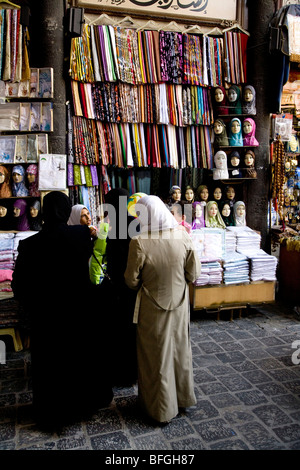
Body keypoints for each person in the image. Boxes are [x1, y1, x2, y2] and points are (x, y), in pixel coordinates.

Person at [11, 191, 113, 431]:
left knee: (48, 365)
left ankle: (50, 413)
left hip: (45, 317)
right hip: (75, 313)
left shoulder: (29, 244)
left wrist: (33, 308)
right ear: (66, 210)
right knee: (74, 360)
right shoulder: (80, 235)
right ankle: (78, 407)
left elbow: (19, 284)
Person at [124, 195, 201, 423]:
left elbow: (131, 280)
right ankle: (184, 398)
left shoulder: (139, 241)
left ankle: (161, 409)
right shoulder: (182, 235)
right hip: (179, 305)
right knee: (179, 350)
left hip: (152, 307)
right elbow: (193, 274)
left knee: (155, 356)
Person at [103, 187, 138, 386]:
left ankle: (118, 372)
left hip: (116, 285)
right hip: (132, 286)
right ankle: (131, 372)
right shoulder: (135, 224)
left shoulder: (110, 225)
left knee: (117, 330)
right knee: (130, 329)